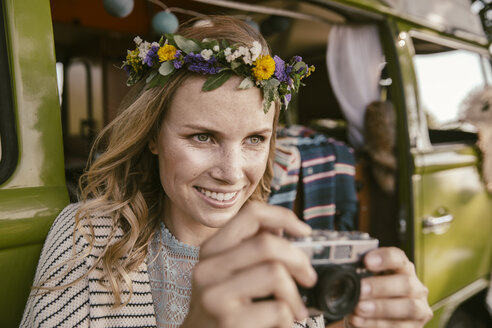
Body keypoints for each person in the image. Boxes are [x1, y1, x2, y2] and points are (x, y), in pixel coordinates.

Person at [21, 16, 432, 328]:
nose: (232, 173)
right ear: (152, 137)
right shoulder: (85, 237)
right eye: (202, 137)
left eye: (255, 139)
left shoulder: (285, 252)